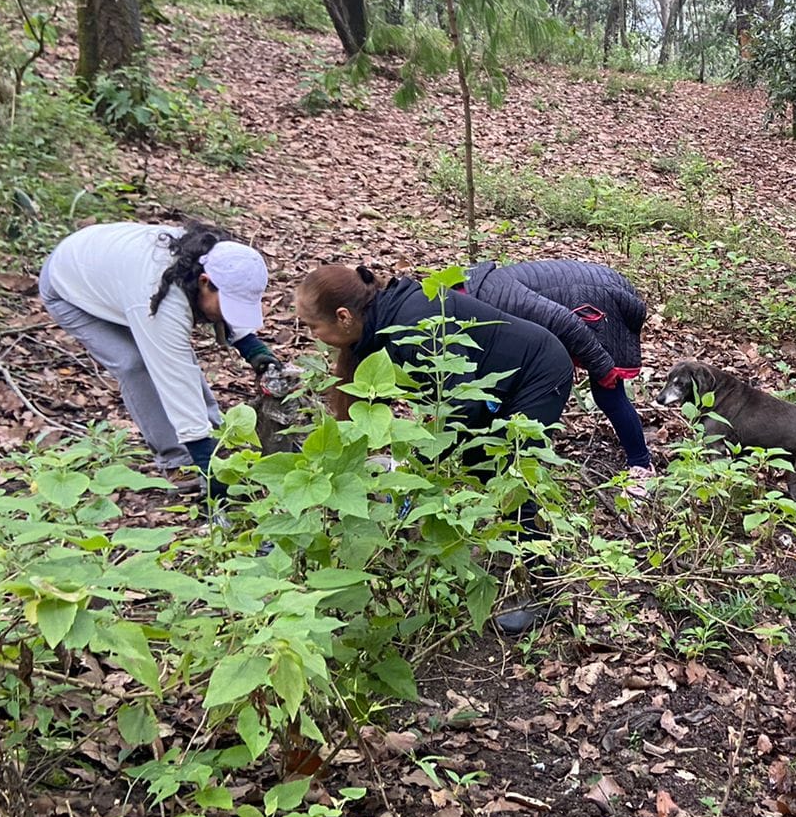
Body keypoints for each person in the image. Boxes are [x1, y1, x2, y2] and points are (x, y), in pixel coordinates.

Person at [294, 264, 574, 634]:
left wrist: (414, 466)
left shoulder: (410, 325)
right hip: (490, 382)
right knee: (479, 465)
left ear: (343, 317)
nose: (311, 335)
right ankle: (480, 551)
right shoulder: (377, 327)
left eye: (313, 326)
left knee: (513, 472)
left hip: (537, 370)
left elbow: (460, 407)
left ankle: (544, 589)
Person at [39, 221, 280, 480]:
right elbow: (175, 376)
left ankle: (215, 437)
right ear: (204, 281)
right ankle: (178, 459)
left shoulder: (213, 259)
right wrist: (207, 467)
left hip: (107, 267)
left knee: (167, 351)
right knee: (135, 364)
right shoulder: (161, 295)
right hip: (68, 285)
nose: (229, 313)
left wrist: (252, 348)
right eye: (229, 306)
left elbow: (225, 300)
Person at [461, 259, 653, 481]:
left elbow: (564, 321)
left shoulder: (498, 299)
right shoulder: (474, 298)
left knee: (608, 394)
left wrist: (602, 366)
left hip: (597, 301)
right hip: (578, 295)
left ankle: (642, 465)